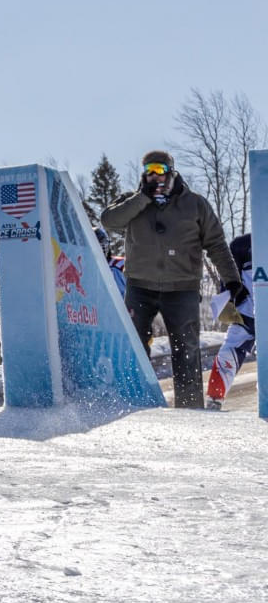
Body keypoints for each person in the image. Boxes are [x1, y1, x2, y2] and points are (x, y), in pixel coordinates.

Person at [101, 150, 244, 408]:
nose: (154, 175)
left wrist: (232, 280)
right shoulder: (132, 202)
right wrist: (142, 198)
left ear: (171, 171)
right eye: (149, 170)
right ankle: (136, 405)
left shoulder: (195, 204)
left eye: (159, 169)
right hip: (139, 288)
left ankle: (189, 410)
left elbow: (216, 244)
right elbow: (110, 221)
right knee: (134, 347)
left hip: (182, 289)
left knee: (186, 351)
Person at [206, 233, 255, 411]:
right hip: (249, 312)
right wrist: (231, 295)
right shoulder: (242, 244)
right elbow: (227, 273)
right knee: (229, 351)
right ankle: (214, 398)